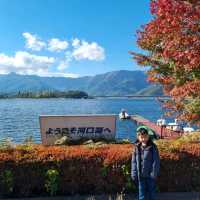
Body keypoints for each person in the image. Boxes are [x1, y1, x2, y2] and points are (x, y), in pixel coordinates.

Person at [131, 127, 160, 200]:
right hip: (140, 175)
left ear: (148, 136)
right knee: (141, 194)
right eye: (141, 137)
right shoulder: (136, 147)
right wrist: (134, 173)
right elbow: (134, 162)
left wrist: (153, 174)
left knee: (151, 193)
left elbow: (156, 161)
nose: (143, 139)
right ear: (138, 137)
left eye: (145, 137)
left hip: (150, 176)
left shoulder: (153, 147)